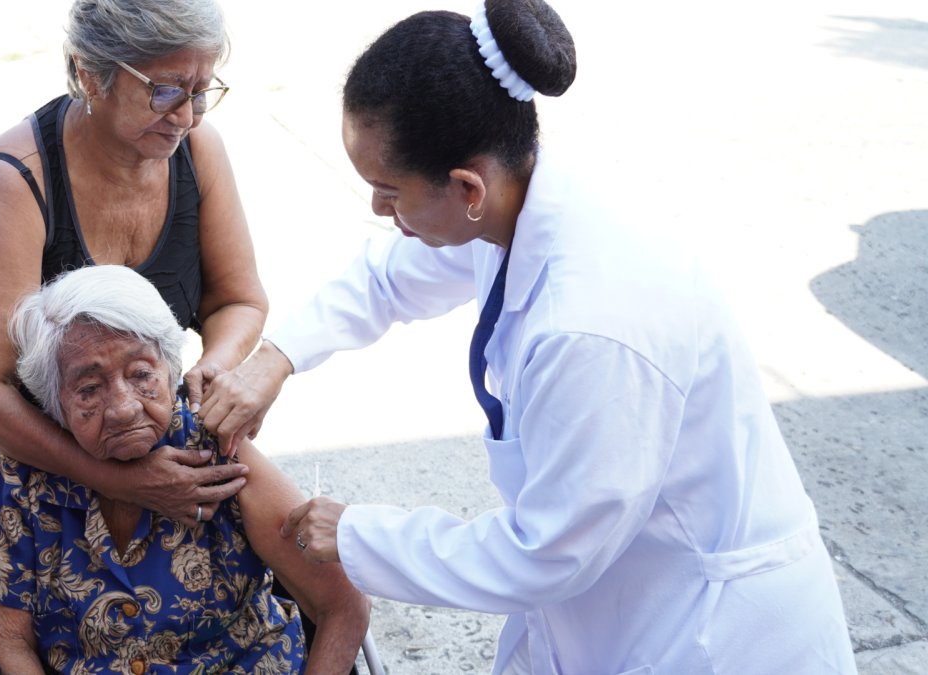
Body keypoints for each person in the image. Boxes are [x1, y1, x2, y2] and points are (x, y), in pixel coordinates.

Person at [197, 1, 859, 673]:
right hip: (618, 601)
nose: (377, 209)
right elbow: (388, 279)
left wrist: (358, 533)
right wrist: (275, 359)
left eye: (388, 192)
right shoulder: (509, 205)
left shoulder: (592, 327)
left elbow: (546, 553)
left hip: (709, 630)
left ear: (467, 186)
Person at [0, 0, 265, 566]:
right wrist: (120, 482)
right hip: (28, 454)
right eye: (165, 90)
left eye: (201, 92)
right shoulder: (18, 176)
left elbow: (239, 299)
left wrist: (213, 366)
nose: (186, 116)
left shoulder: (198, 149)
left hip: (143, 426)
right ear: (90, 75)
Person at [0, 265, 368, 673]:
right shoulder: (22, 472)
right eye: (89, 389)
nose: (123, 408)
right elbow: (6, 634)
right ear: (54, 401)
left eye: (141, 374)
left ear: (170, 370)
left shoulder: (217, 445)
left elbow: (343, 603)